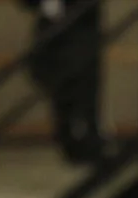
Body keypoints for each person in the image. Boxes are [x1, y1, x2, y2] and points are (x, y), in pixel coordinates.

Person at [21, 0, 104, 166]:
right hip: (53, 30)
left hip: (81, 26)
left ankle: (88, 138)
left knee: (84, 85)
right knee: (61, 86)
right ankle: (71, 139)